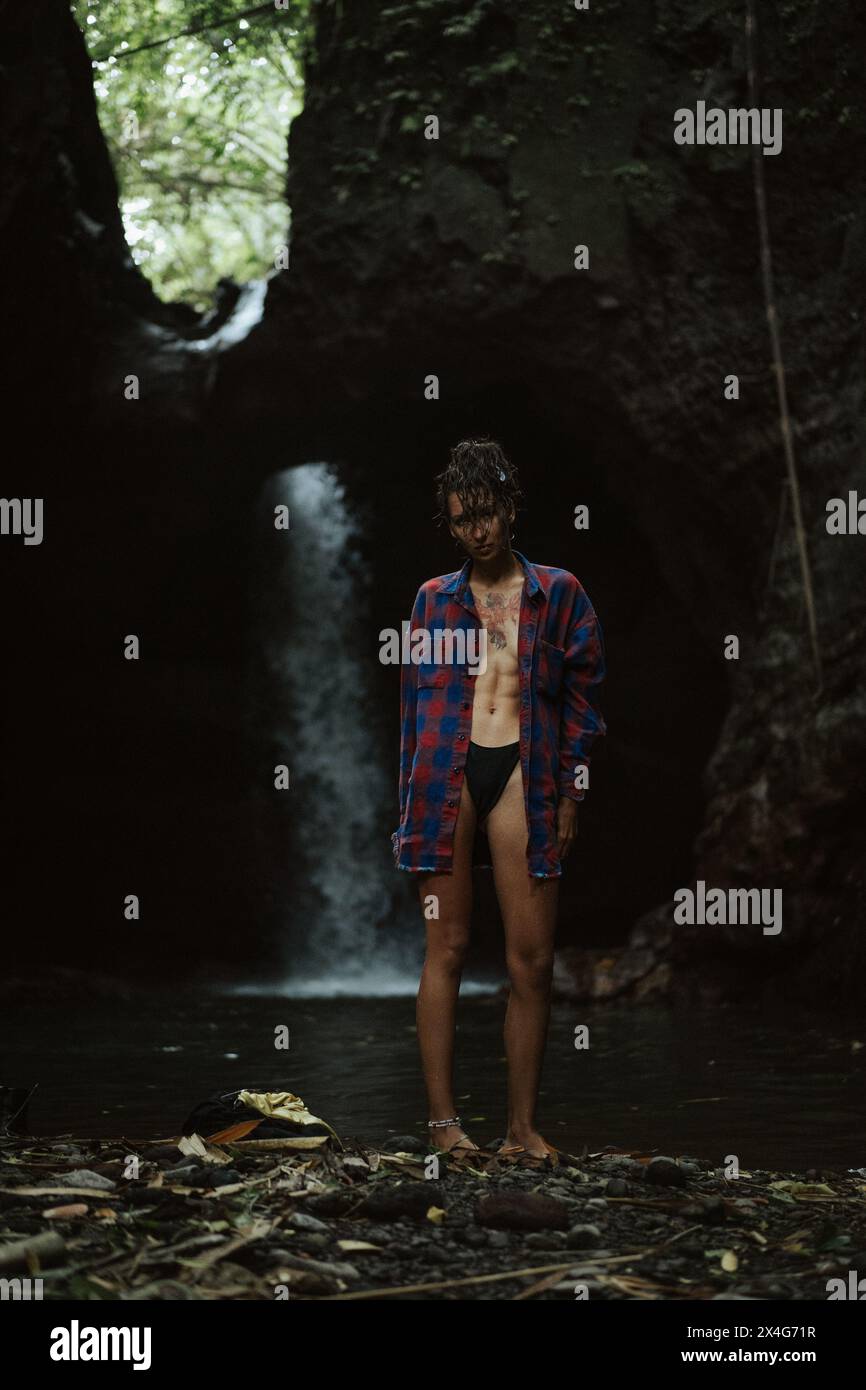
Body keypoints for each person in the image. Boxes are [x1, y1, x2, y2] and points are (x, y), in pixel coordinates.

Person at [391, 438, 607, 1163]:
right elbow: (411, 714)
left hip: (526, 770)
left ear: (510, 508)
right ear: (450, 527)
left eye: (486, 513)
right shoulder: (431, 600)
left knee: (532, 961)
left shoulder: (560, 592)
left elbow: (583, 705)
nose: (476, 530)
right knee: (445, 948)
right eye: (461, 521)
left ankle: (521, 1129)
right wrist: (407, 814)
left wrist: (572, 791)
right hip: (445, 777)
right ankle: (444, 1127)